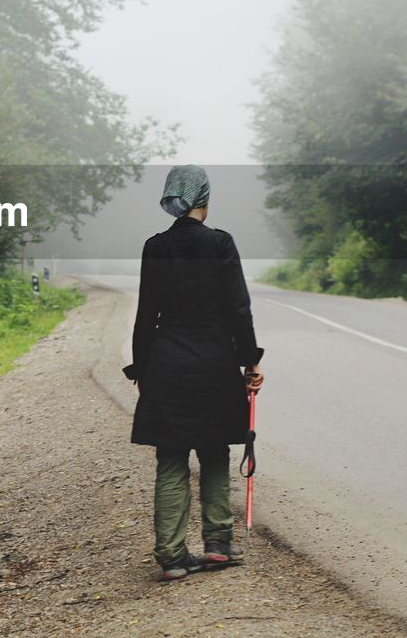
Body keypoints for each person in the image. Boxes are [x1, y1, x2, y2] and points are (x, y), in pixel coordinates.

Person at [123, 164, 265, 581]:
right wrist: (250, 360)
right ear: (204, 197)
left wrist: (141, 368)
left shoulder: (155, 247)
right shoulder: (220, 243)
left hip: (166, 359)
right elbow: (238, 308)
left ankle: (171, 556)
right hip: (214, 360)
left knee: (171, 457)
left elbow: (146, 312)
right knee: (215, 448)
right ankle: (218, 543)